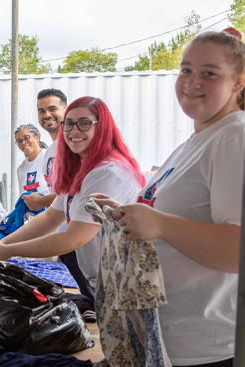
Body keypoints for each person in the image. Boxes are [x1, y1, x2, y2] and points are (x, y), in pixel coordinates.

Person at [91, 28, 245, 366]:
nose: (192, 82)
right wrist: (122, 216)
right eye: (186, 70)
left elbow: (236, 251)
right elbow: (172, 219)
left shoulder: (234, 137)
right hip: (166, 337)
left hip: (205, 344)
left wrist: (160, 225)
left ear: (238, 82)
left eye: (209, 73)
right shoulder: (197, 140)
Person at [0, 97, 146, 303]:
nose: (74, 131)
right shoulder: (81, 170)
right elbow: (52, 217)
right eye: (69, 124)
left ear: (102, 127)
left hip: (125, 285)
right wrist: (0, 245)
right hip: (103, 281)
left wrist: (7, 251)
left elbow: (74, 238)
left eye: (84, 123)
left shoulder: (108, 172)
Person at [22, 88, 67, 211]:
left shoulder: (73, 147)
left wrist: (42, 201)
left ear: (66, 110)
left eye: (52, 109)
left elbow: (78, 195)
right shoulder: (50, 151)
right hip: (58, 226)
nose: (46, 115)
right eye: (41, 111)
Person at [15, 124, 49, 196]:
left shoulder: (49, 157)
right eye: (19, 141)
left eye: (26, 138)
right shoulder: (21, 169)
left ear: (37, 137)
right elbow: (22, 196)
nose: (23, 143)